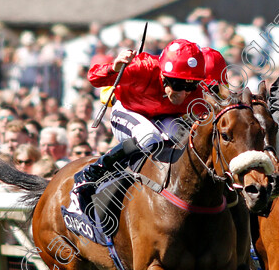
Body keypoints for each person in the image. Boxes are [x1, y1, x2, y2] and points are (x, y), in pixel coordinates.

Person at [68, 38, 206, 214]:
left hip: (160, 117)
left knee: (181, 136)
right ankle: (91, 173)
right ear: (163, 75)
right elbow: (94, 78)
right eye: (178, 85)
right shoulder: (142, 68)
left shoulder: (197, 92)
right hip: (127, 110)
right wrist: (114, 67)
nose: (185, 93)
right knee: (149, 137)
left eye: (191, 85)